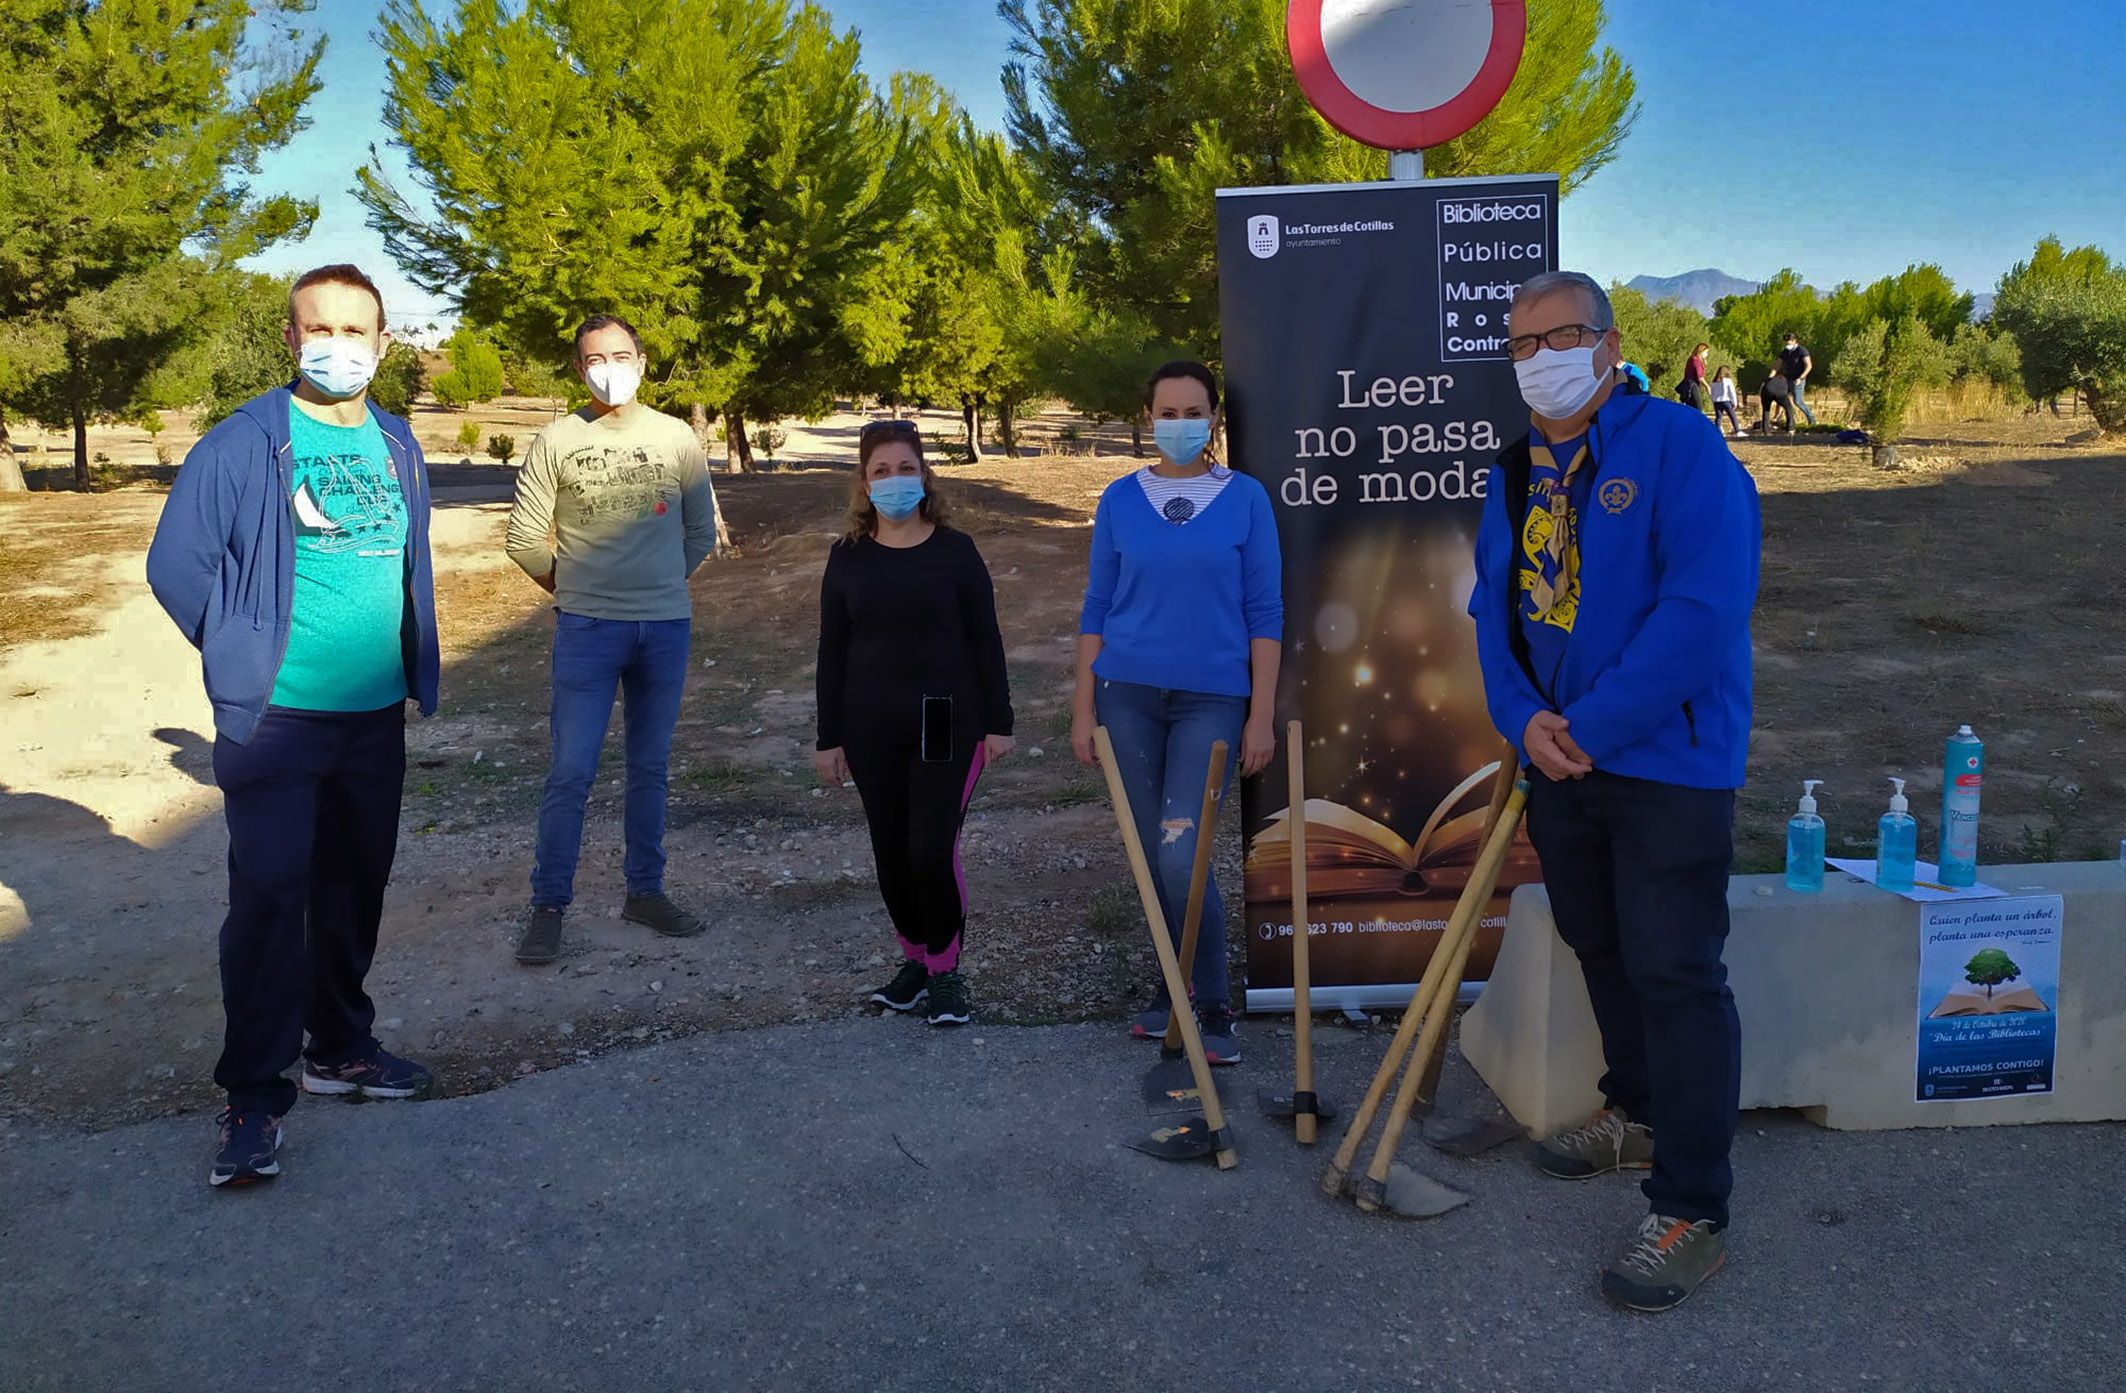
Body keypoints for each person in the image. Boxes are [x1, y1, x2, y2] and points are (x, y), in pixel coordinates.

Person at [1469, 270, 1760, 1313]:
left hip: (1665, 764)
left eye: (1560, 335)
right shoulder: (1512, 471)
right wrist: (1522, 721)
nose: (1539, 357)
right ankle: (1634, 1111)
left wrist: (1584, 726)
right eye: (1519, 344)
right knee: (1599, 943)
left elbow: (1701, 612)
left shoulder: (1683, 449)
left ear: (1606, 342)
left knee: (1675, 971)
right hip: (1559, 763)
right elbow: (1490, 619)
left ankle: (1691, 1205)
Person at [146, 263, 441, 1188]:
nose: (339, 347)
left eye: (358, 332)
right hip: (275, 722)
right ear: (290, 337)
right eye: (321, 329)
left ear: (383, 345)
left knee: (355, 888)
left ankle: (340, 1046)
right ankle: (252, 1096)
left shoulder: (397, 444)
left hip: (370, 717)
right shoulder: (242, 445)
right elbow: (175, 566)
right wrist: (238, 647)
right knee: (271, 903)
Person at [1072, 361, 1283, 1063]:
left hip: (1211, 701)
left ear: (1214, 419)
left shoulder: (1247, 498)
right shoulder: (1118, 498)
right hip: (1125, 695)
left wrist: (1260, 715)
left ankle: (1214, 1003)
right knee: (1148, 857)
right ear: (1148, 416)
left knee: (1180, 852)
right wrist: (1082, 710)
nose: (1181, 423)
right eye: (1168, 411)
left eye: (1195, 411)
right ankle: (1173, 990)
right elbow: (1097, 608)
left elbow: (1265, 613)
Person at [506, 315, 721, 965]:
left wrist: (655, 583)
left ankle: (645, 892)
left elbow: (699, 531)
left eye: (620, 354)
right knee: (571, 770)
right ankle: (549, 906)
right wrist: (578, 591)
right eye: (595, 358)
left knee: (650, 766)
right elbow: (523, 539)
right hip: (587, 629)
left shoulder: (677, 437)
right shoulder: (557, 440)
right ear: (578, 369)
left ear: (643, 359)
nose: (609, 366)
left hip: (665, 628)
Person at [813, 422, 1014, 1027]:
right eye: (881, 471)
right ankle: (917, 962)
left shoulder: (956, 550)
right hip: (870, 724)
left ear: (924, 476)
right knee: (891, 852)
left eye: (906, 469)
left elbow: (986, 639)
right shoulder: (846, 556)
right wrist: (829, 737)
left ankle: (947, 971)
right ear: (864, 483)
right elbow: (832, 649)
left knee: (931, 849)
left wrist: (999, 723)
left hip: (948, 724)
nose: (894, 481)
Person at [1778, 332, 1818, 425]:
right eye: (1786, 342)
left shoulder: (1802, 350)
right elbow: (1778, 363)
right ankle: (1781, 419)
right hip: (1788, 379)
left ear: (1794, 341)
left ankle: (1812, 420)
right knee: (1781, 398)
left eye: (1789, 342)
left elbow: (1808, 366)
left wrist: (1801, 378)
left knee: (1798, 401)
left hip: (1798, 380)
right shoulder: (1786, 352)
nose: (1787, 344)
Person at [1708, 366, 1742, 435]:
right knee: (1733, 416)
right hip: (1726, 401)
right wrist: (1734, 402)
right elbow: (1731, 392)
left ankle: (1717, 432)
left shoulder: (1714, 381)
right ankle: (1737, 431)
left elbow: (1712, 392)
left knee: (1718, 417)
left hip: (1717, 401)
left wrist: (1713, 400)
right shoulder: (1727, 380)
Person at [1758, 368, 1794, 433]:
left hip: (1766, 390)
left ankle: (1766, 430)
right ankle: (1790, 428)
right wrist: (1778, 414)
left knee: (1766, 410)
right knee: (1789, 408)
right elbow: (1785, 398)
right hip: (1780, 393)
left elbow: (1762, 388)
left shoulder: (1770, 379)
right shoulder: (1788, 381)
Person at [1677, 343, 1709, 412]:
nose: (1707, 354)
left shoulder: (1693, 359)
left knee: (1691, 409)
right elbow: (1700, 377)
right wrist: (1708, 387)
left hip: (1689, 385)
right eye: (1706, 352)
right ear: (1701, 351)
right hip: (1692, 386)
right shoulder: (1695, 360)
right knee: (1698, 408)